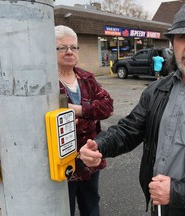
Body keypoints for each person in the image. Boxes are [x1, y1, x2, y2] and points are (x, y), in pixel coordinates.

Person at [78, 0, 185, 215]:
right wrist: (101, 145)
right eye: (182, 37)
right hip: (159, 203)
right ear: (172, 43)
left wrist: (179, 192)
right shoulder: (156, 90)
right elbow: (130, 129)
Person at [55, 25, 113, 216]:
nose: (69, 51)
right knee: (64, 208)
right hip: (61, 160)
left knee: (91, 205)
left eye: (74, 47)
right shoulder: (45, 83)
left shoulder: (86, 78)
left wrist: (77, 110)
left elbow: (107, 106)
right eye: (62, 47)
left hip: (88, 156)